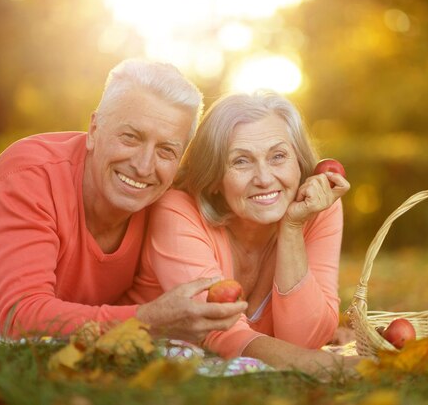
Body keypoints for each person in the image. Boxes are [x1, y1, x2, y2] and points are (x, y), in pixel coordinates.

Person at [0, 58, 247, 341]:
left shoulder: (164, 206)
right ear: (94, 130)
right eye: (130, 137)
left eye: (166, 150)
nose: (144, 167)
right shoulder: (30, 176)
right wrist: (148, 321)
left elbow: (125, 310)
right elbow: (20, 315)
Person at [127, 90, 357, 374]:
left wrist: (292, 227)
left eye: (278, 156)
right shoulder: (176, 209)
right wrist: (331, 367)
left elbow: (306, 339)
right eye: (241, 161)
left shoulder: (319, 208)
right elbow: (217, 330)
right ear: (213, 178)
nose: (263, 178)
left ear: (299, 163)